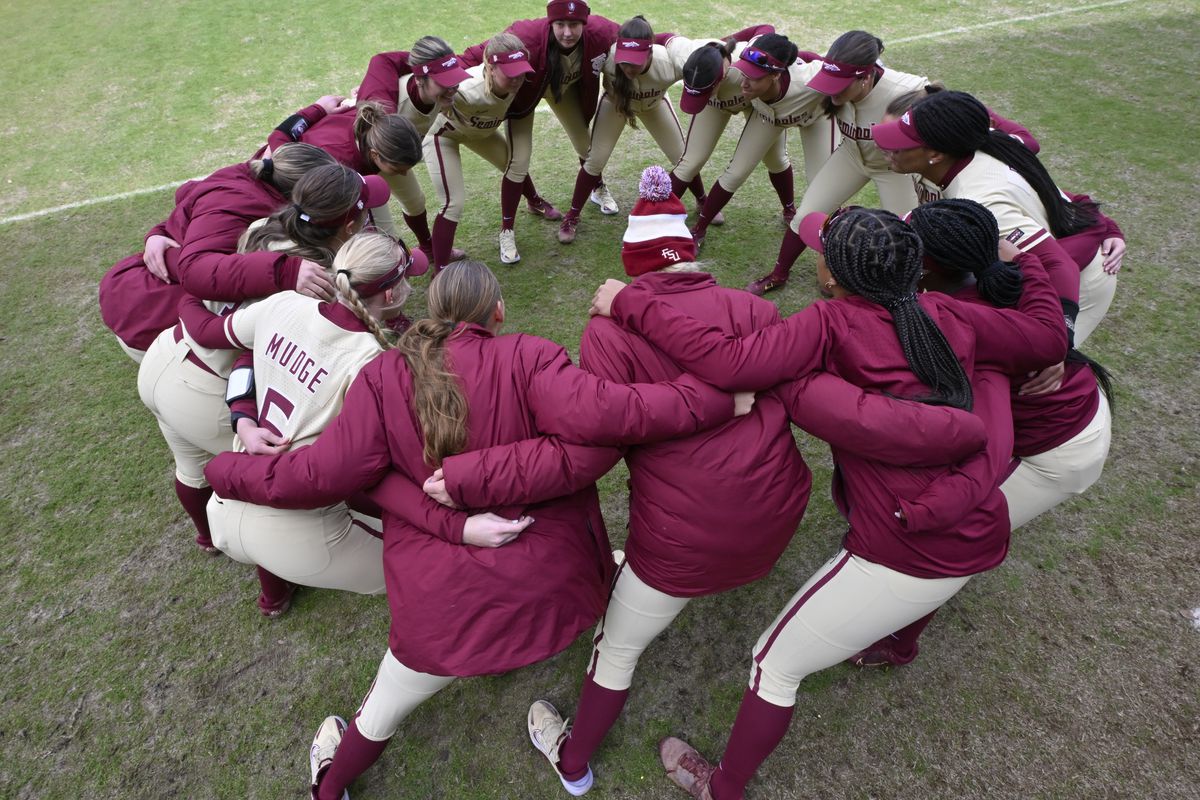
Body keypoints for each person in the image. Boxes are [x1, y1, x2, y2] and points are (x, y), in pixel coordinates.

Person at [417, 169, 996, 797]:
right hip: (774, 519)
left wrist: (480, 477)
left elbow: (598, 445)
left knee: (616, 649)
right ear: (689, 255)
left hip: (683, 542)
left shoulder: (610, 328)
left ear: (633, 265)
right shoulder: (761, 310)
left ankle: (575, 761)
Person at [200, 258, 754, 800]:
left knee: (385, 706)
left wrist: (226, 469)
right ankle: (571, 768)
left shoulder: (384, 375)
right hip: (556, 591)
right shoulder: (528, 356)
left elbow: (320, 474)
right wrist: (718, 400)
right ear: (498, 310)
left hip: (442, 618)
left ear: (433, 309)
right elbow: (613, 421)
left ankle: (332, 786)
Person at [588, 207, 1068, 799]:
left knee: (773, 664)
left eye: (818, 249)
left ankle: (723, 788)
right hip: (980, 527)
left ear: (831, 275)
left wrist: (630, 302)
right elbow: (1049, 338)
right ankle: (900, 643)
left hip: (903, 548)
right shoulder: (948, 311)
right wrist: (1033, 264)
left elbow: (729, 362)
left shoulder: (827, 324)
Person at [136, 164, 390, 556]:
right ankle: (274, 584)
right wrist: (243, 417)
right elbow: (250, 353)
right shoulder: (319, 279)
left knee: (189, 466)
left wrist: (186, 297)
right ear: (350, 225)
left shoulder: (263, 228)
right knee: (264, 480)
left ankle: (207, 540)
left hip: (166, 353)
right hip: (212, 382)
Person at [174, 231, 427, 615]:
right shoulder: (375, 364)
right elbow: (372, 466)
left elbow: (243, 352)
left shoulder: (283, 303)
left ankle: (273, 597)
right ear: (391, 295)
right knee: (429, 560)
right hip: (300, 530)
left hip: (225, 506)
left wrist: (242, 418)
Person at [909, 199, 1114, 532]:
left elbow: (988, 436)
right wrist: (1024, 258)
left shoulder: (957, 320)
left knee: (940, 536)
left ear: (926, 268)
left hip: (1059, 449)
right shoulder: (1015, 274)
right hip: (1083, 405)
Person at [872, 89, 1113, 344]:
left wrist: (1060, 336)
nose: (887, 147)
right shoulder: (966, 150)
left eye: (902, 141)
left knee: (1043, 372)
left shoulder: (982, 199)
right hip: (1029, 264)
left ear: (935, 155)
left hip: (1076, 283)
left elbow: (1059, 265)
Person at [98, 143, 336, 363]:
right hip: (146, 316)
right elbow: (195, 270)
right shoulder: (243, 201)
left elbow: (190, 199)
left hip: (137, 296)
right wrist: (286, 271)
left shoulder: (253, 175)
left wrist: (159, 232)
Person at [745, 31, 930, 295]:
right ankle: (779, 273)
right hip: (851, 156)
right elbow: (799, 66)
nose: (831, 90)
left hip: (893, 168)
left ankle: (909, 293)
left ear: (865, 78)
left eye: (839, 84)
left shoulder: (905, 89)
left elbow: (943, 103)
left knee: (906, 234)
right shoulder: (831, 83)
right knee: (806, 213)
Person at [556, 16, 746, 244]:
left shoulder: (669, 63)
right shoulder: (608, 58)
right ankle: (572, 215)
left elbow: (705, 55)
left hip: (654, 105)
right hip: (616, 104)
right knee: (595, 159)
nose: (628, 67)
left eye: (636, 61)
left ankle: (702, 199)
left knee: (683, 157)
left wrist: (723, 57)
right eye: (624, 61)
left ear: (650, 52)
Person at [459, 1, 622, 220]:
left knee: (587, 147)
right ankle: (533, 201)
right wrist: (437, 73)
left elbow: (635, 38)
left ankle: (598, 187)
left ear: (585, 22)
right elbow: (478, 52)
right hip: (527, 96)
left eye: (574, 24)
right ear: (550, 21)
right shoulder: (526, 35)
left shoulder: (599, 30)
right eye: (560, 24)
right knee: (519, 159)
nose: (567, 33)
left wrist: (665, 41)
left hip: (562, 93)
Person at [682, 33, 835, 247]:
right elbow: (766, 32)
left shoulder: (808, 78)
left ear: (775, 75)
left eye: (753, 77)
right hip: (770, 115)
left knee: (821, 185)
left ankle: (827, 240)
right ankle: (699, 230)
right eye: (745, 74)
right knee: (737, 171)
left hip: (818, 118)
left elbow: (841, 70)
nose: (744, 84)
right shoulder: (753, 83)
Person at [352, 35, 482, 262]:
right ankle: (384, 278)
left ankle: (428, 248)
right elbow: (380, 63)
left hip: (394, 158)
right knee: (382, 231)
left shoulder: (436, 93)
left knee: (415, 200)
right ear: (420, 79)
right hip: (365, 164)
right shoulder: (392, 104)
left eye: (454, 79)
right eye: (444, 81)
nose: (453, 87)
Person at [423, 33, 546, 267]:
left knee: (514, 164)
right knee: (453, 203)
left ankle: (534, 200)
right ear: (490, 67)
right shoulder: (466, 89)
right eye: (510, 73)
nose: (518, 79)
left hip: (479, 132)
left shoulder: (519, 82)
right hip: (444, 135)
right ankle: (440, 270)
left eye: (521, 71)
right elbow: (427, 93)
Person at [263, 88, 434, 249]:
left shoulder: (381, 124)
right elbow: (279, 144)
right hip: (294, 179)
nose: (404, 173)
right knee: (378, 238)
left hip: (361, 168)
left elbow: (382, 62)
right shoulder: (334, 164)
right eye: (398, 168)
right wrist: (316, 109)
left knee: (413, 200)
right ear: (375, 155)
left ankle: (427, 248)